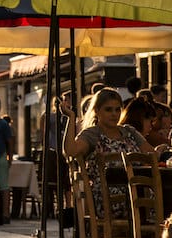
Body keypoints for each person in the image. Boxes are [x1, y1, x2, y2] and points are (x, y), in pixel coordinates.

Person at [60, 87, 158, 218]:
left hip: (137, 191)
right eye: (108, 109)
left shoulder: (129, 132)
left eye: (117, 109)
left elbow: (151, 155)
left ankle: (151, 235)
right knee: (151, 202)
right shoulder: (92, 134)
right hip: (107, 197)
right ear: (97, 111)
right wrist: (71, 118)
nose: (114, 114)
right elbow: (71, 151)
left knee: (164, 199)